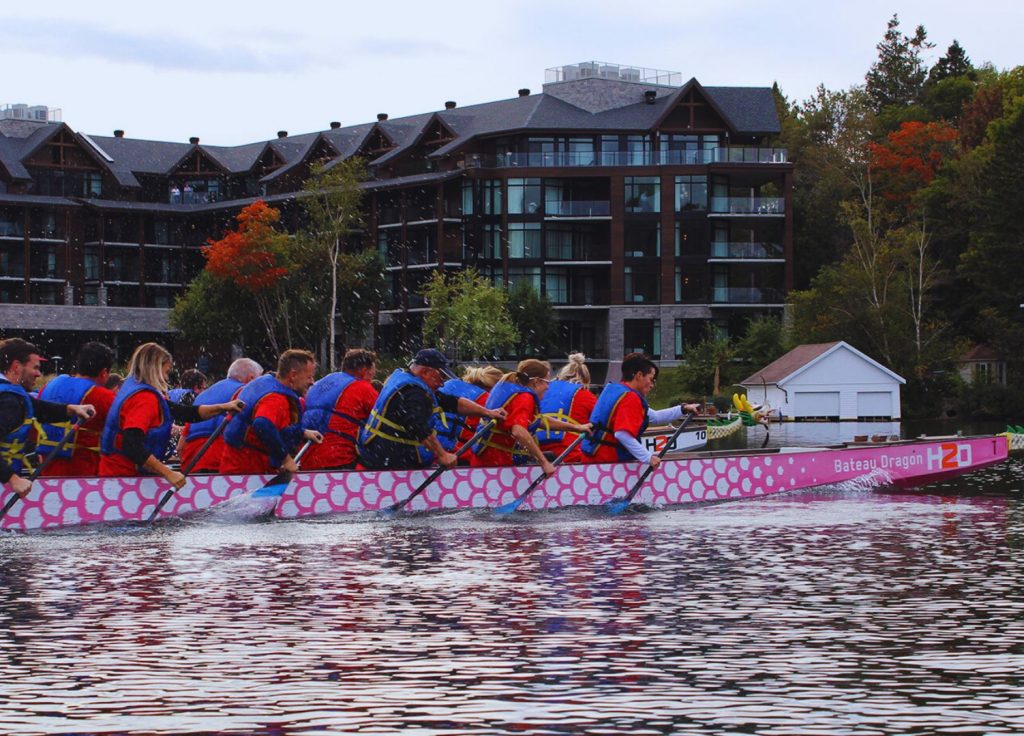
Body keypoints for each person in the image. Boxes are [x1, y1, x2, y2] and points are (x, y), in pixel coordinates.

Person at [99, 343, 241, 488]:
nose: (167, 378)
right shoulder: (144, 398)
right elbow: (131, 444)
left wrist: (223, 407)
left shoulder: (135, 388)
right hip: (123, 480)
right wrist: (168, 473)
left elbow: (186, 413)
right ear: (154, 370)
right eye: (166, 372)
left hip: (116, 475)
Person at [357, 349, 505, 471]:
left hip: (382, 457)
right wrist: (442, 455)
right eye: (440, 377)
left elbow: (452, 402)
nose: (441, 383)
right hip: (387, 464)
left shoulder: (411, 382)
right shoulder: (414, 393)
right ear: (425, 372)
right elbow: (417, 426)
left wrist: (487, 412)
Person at [0, 338, 95, 498]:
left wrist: (72, 409)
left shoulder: (12, 395)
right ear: (16, 367)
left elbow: (39, 408)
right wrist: (13, 479)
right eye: (35, 368)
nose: (38, 373)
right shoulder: (9, 402)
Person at [468, 359, 591, 475]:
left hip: (484, 461)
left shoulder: (511, 389)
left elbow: (539, 420)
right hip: (495, 465)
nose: (548, 387)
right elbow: (519, 431)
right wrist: (544, 463)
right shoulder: (524, 397)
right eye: (547, 382)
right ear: (536, 381)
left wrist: (577, 428)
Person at [581, 353, 700, 468]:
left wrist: (683, 409)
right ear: (639, 375)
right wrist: (648, 457)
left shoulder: (616, 390)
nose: (652, 385)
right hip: (607, 465)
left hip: (591, 461)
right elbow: (622, 434)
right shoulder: (630, 398)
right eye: (651, 379)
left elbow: (655, 417)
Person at [219, 349, 323, 475]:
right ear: (293, 375)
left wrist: (302, 432)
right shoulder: (275, 399)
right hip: (247, 473)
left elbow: (274, 425)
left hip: (233, 466)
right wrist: (286, 460)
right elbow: (262, 424)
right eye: (309, 377)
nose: (312, 382)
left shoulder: (264, 382)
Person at [37, 341, 117, 477]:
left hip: (46, 474)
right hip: (84, 479)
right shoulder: (104, 397)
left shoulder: (48, 387)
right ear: (104, 373)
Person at [177, 358, 262, 473]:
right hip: (221, 464)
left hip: (191, 464)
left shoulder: (202, 396)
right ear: (251, 379)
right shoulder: (246, 393)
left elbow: (180, 446)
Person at [302, 349, 380, 471]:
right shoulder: (362, 387)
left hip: (306, 460)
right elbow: (385, 417)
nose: (371, 381)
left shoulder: (318, 384)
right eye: (371, 376)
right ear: (364, 372)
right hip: (339, 461)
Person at [536, 353, 597, 464]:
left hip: (537, 452)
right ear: (586, 379)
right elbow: (599, 422)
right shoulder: (585, 395)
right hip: (569, 454)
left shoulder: (544, 390)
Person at [432, 364, 503, 453]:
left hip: (431, 448)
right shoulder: (486, 398)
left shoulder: (448, 384)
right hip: (460, 454)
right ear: (494, 388)